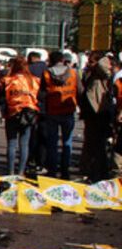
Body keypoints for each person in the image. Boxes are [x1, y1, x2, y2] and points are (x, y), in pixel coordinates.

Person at [39, 51, 79, 180]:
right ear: (62, 59)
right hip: (68, 110)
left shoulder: (46, 73)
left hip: (52, 111)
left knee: (52, 142)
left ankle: (52, 170)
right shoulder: (73, 73)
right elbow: (81, 90)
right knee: (67, 141)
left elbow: (42, 94)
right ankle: (65, 170)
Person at [0, 56, 41, 176]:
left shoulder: (8, 80)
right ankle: (21, 171)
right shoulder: (34, 80)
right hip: (29, 113)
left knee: (11, 143)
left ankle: (10, 171)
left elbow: (1, 95)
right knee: (24, 144)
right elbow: (40, 96)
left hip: (13, 112)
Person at [79, 53, 115, 182]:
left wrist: (103, 57)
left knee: (98, 144)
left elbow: (102, 65)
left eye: (92, 61)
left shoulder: (103, 74)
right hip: (91, 113)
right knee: (91, 144)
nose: (89, 63)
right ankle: (91, 171)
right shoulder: (90, 74)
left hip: (99, 112)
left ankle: (99, 173)